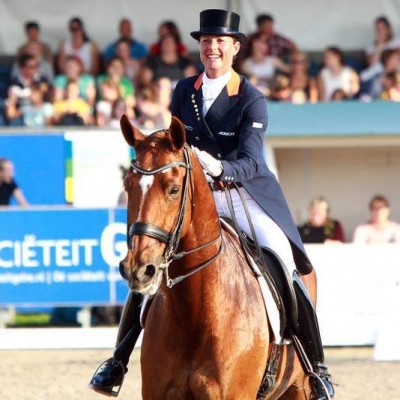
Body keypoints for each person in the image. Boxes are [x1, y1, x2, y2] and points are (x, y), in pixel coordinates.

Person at [89, 9, 334, 400]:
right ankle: (117, 361)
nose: (212, 47)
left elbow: (253, 161)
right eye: (206, 41)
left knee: (285, 261)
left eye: (220, 41)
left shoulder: (251, 98)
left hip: (245, 192)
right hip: (191, 193)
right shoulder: (184, 91)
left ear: (235, 48)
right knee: (152, 265)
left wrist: (219, 166)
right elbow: (173, 145)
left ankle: (315, 366)